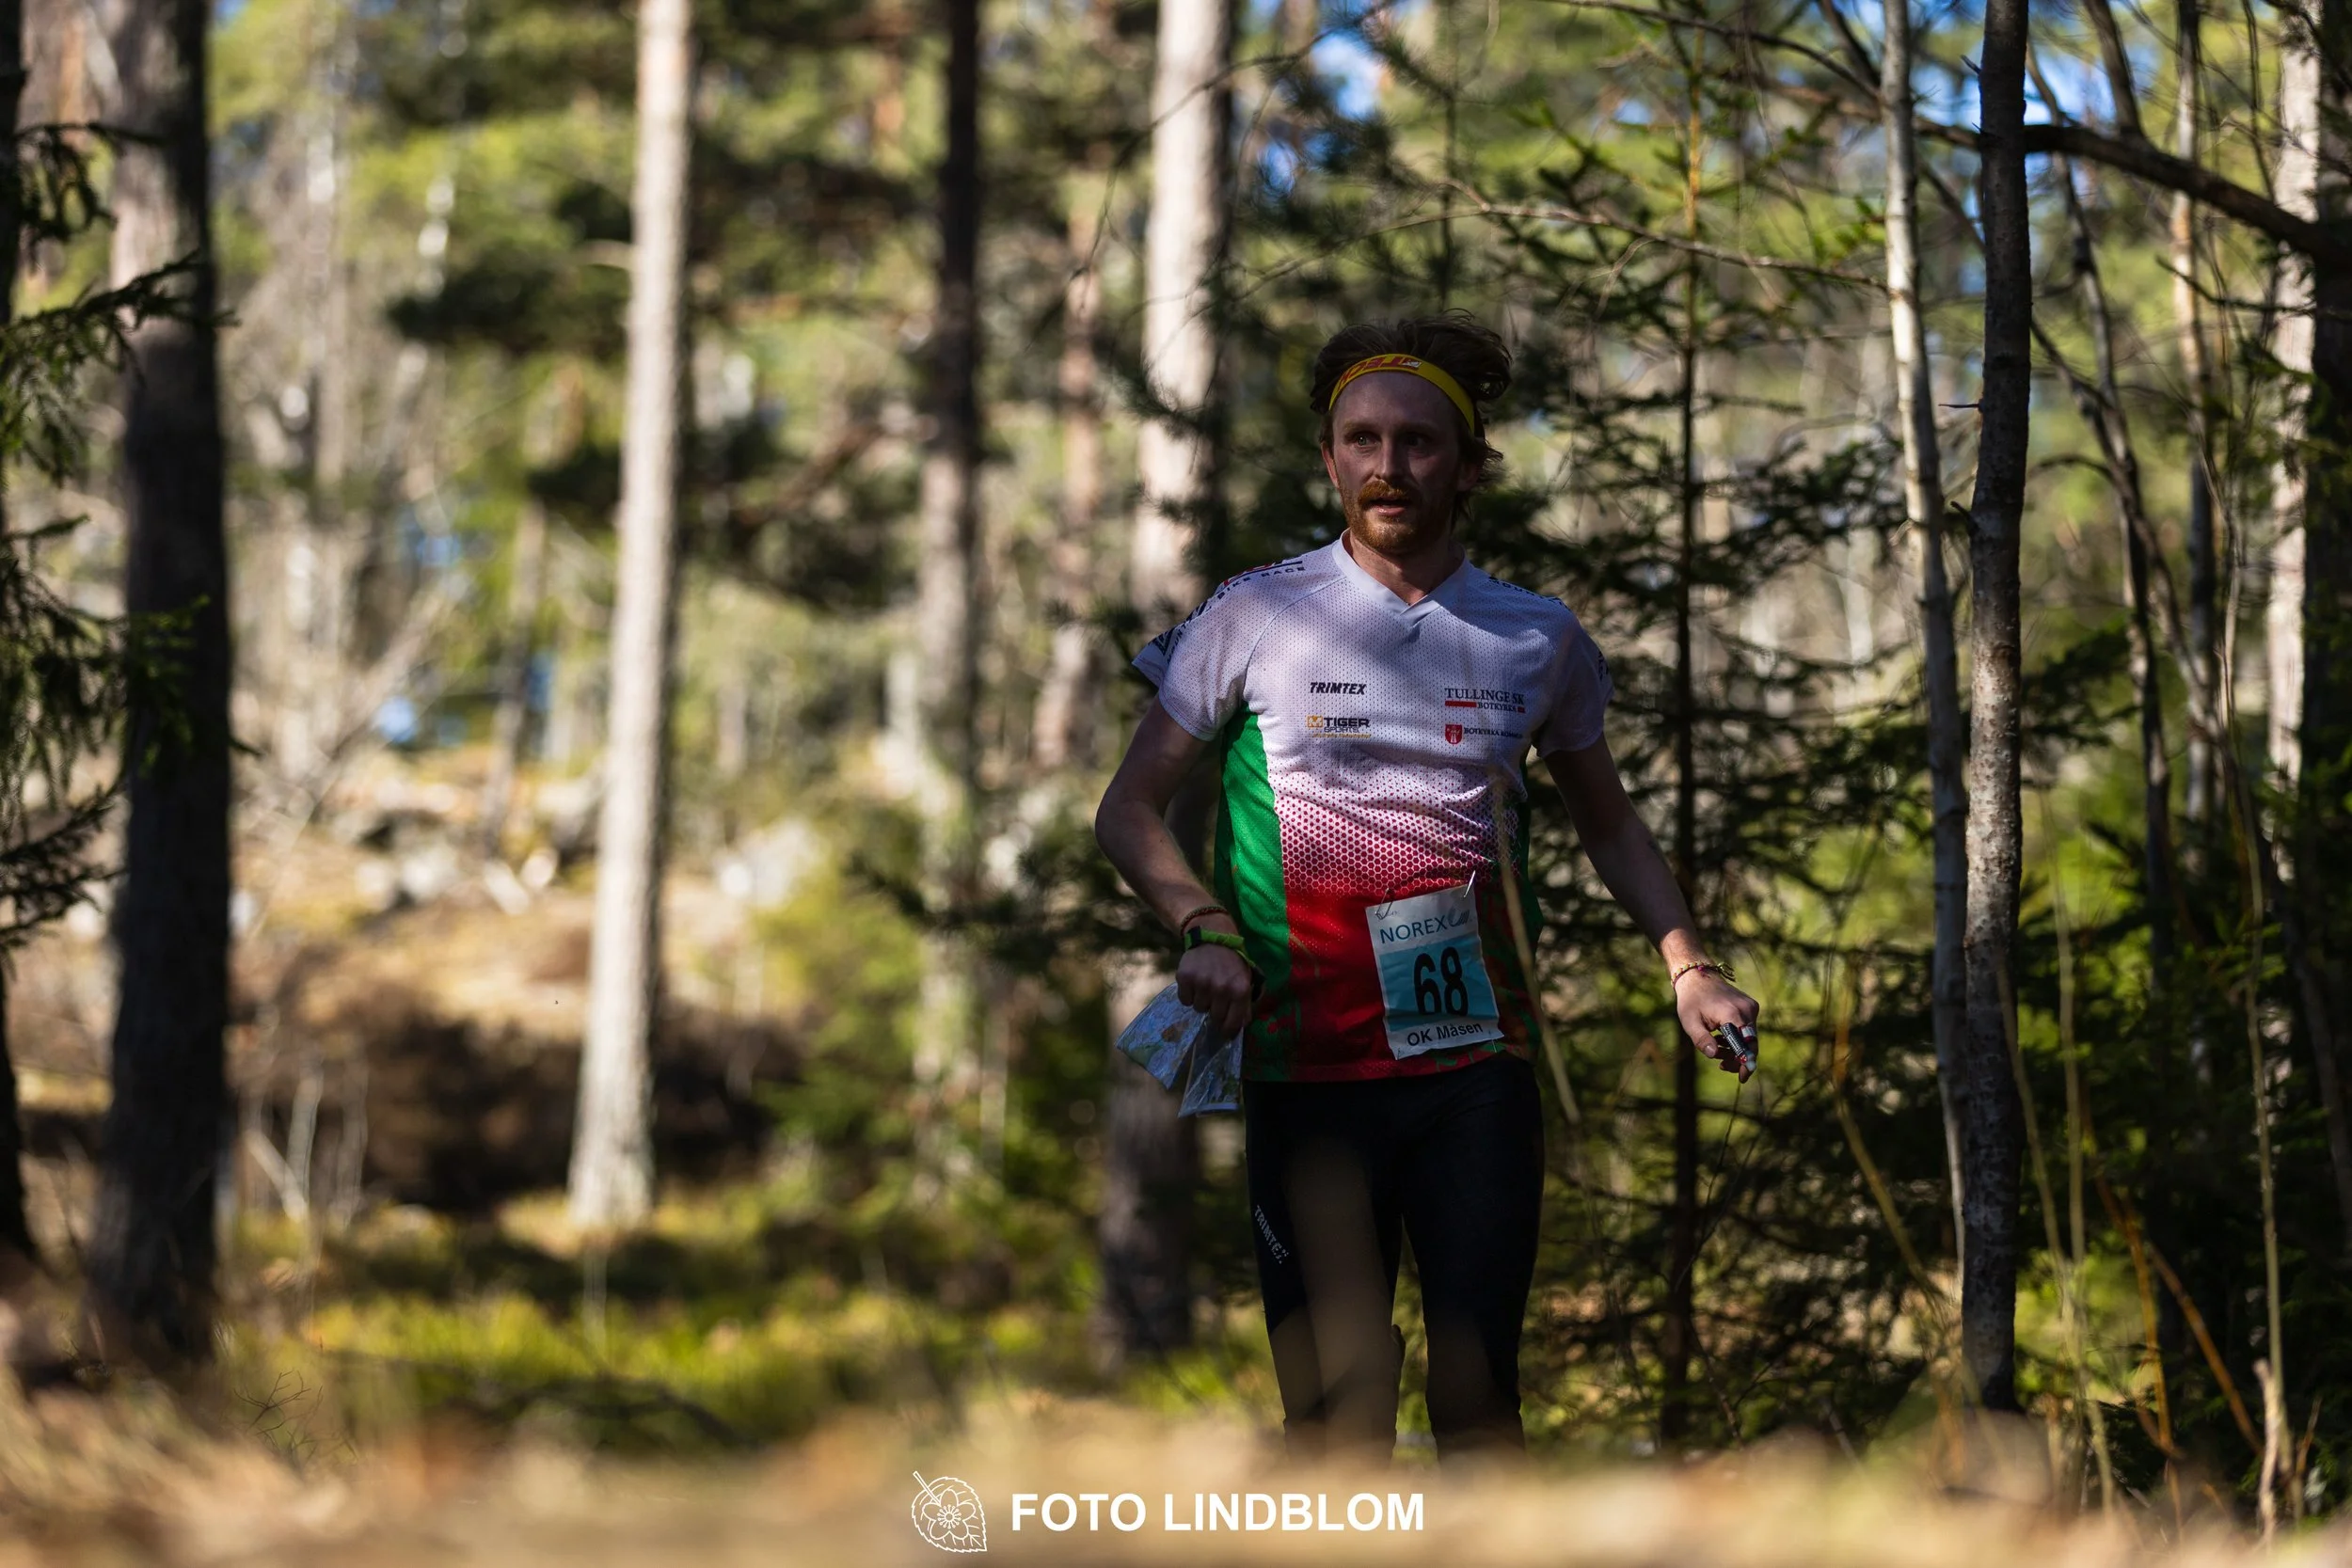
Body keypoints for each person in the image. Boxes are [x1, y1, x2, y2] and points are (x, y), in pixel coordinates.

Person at [1093, 312, 1760, 1459]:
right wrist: (1200, 923)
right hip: (1308, 1062)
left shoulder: (1535, 636)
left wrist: (1688, 965)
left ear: (1466, 464)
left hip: (1474, 1064)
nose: (1387, 466)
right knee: (1334, 1414)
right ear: (1329, 459)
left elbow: (1610, 825)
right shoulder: (1258, 613)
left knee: (1479, 1396)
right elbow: (1128, 806)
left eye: (1416, 442)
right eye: (1361, 440)